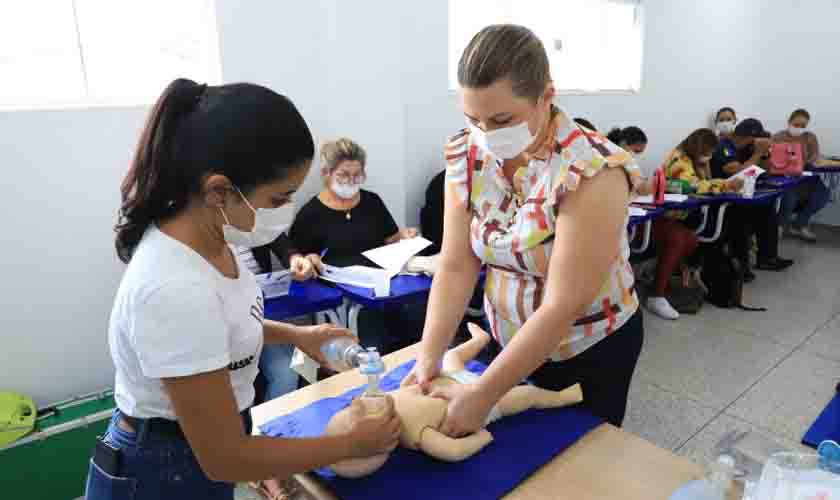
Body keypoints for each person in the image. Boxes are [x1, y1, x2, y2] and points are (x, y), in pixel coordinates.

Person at [86, 79, 400, 500]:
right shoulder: (172, 287)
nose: (285, 213)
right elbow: (225, 458)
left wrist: (297, 335)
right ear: (219, 191)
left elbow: (223, 324)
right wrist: (349, 444)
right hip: (161, 468)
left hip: (199, 449)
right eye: (277, 199)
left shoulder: (215, 239)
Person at [403, 24, 645, 432]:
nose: (486, 134)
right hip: (508, 339)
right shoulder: (466, 153)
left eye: (502, 119)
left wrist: (482, 396)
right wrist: (429, 356)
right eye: (473, 118)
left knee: (574, 468)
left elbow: (562, 305)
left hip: (586, 345)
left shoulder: (592, 170)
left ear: (546, 96)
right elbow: (457, 265)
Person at [288, 138, 421, 353]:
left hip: (386, 285)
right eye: (343, 175)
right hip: (347, 297)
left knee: (417, 321)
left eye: (357, 175)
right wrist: (310, 259)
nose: (351, 181)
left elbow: (392, 239)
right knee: (374, 344)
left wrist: (406, 237)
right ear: (326, 174)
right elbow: (299, 258)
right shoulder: (311, 214)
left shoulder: (372, 202)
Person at [710, 118, 793, 278]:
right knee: (740, 219)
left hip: (740, 196)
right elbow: (735, 172)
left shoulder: (746, 148)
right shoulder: (724, 147)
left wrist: (766, 154)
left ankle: (768, 258)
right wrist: (758, 153)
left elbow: (769, 169)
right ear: (748, 136)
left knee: (767, 210)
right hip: (721, 199)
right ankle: (741, 268)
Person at [772, 108, 830, 242]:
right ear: (789, 122)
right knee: (790, 198)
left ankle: (800, 225)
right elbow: (772, 157)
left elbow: (815, 155)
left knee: (823, 195)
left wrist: (805, 161)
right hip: (786, 177)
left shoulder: (809, 137)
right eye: (796, 124)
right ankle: (781, 225)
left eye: (803, 126)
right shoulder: (778, 137)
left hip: (806, 176)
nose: (799, 128)